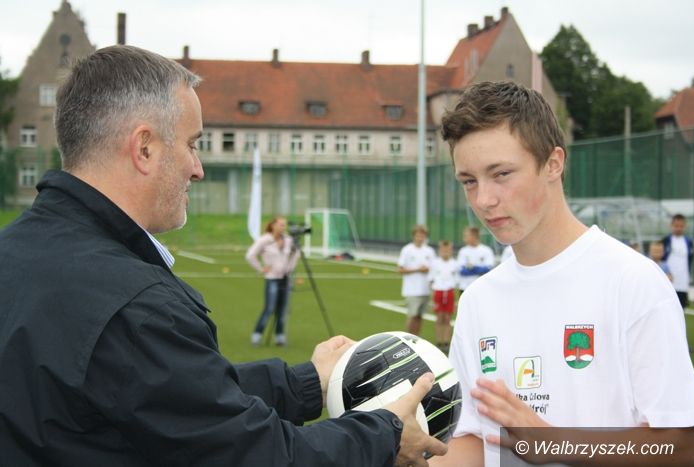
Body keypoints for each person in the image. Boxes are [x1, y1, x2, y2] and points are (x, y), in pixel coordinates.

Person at [0, 45, 448, 467]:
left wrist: (308, 382)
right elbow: (256, 453)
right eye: (193, 144)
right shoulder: (135, 306)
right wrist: (387, 434)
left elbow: (179, 394)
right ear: (144, 148)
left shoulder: (15, 251)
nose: (198, 168)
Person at [430, 81, 694, 466]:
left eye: (501, 173)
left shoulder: (632, 281)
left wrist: (556, 444)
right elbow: (473, 440)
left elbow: (683, 446)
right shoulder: (478, 299)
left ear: (553, 163)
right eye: (469, 182)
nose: (484, 200)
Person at [246, 216, 299, 347]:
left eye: (284, 225)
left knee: (282, 310)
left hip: (285, 279)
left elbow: (296, 253)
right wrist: (261, 268)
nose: (283, 227)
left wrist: (289, 269)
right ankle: (257, 335)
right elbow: (250, 255)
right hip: (272, 279)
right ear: (273, 225)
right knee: (269, 308)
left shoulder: (288, 240)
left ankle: (280, 336)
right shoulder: (265, 240)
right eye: (281, 225)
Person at [398, 224, 436, 336]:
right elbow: (400, 269)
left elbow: (435, 268)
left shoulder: (429, 251)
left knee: (419, 317)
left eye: (423, 236)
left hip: (425, 290)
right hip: (411, 290)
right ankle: (407, 338)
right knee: (412, 316)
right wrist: (418, 269)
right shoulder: (407, 250)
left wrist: (427, 269)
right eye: (418, 235)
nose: (420, 238)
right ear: (414, 236)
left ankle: (416, 338)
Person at [428, 240, 459, 354]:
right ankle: (439, 341)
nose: (445, 252)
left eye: (448, 250)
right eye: (443, 250)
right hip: (438, 292)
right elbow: (431, 279)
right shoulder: (435, 263)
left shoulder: (455, 264)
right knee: (439, 317)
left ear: (451, 251)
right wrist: (433, 294)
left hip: (449, 292)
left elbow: (457, 280)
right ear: (439, 251)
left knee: (447, 318)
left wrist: (455, 297)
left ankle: (446, 342)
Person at [662, 214, 694, 309]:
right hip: (667, 282)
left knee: (681, 309)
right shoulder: (666, 241)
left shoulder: (689, 242)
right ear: (671, 226)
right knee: (667, 309)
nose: (678, 228)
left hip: (683, 283)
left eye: (681, 226)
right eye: (676, 226)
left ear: (685, 226)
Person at [456, 227, 495, 294]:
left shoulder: (486, 250)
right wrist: (478, 269)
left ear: (474, 236)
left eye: (466, 235)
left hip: (482, 287)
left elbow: (488, 269)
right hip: (465, 287)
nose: (464, 238)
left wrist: (472, 268)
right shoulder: (463, 251)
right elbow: (462, 271)